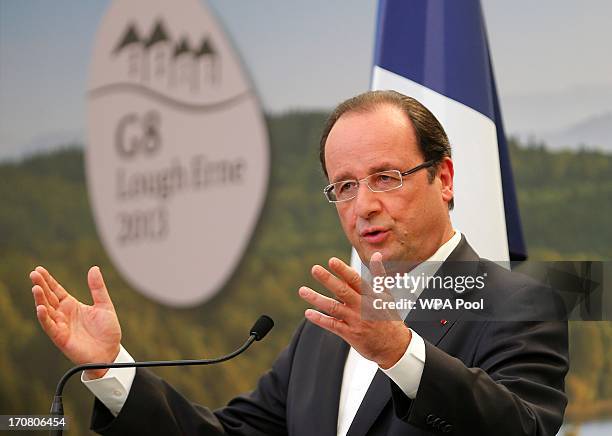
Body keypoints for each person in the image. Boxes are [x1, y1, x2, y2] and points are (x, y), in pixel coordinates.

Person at [30, 90, 568, 435]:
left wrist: (400, 353)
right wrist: (111, 368)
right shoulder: (327, 328)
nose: (365, 205)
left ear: (443, 178)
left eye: (386, 177)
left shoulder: (521, 300)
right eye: (345, 187)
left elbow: (526, 429)